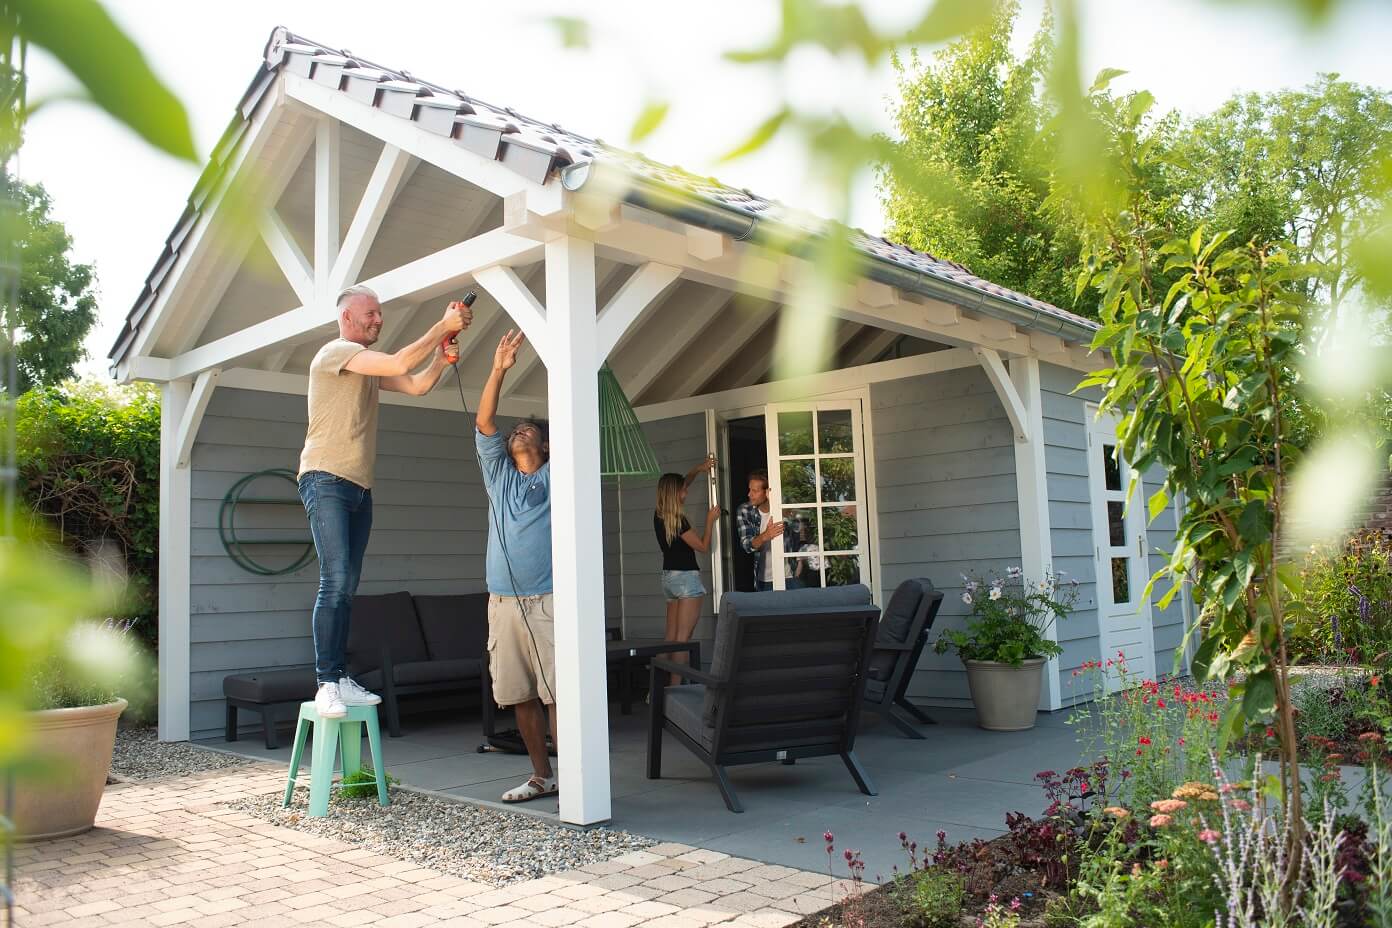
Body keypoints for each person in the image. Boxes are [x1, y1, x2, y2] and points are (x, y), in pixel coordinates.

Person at [298, 285, 471, 720]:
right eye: (371, 314)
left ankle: (339, 678)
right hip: (325, 479)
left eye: (380, 314)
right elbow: (398, 361)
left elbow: (415, 385)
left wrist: (441, 357)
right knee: (335, 581)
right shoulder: (335, 352)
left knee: (348, 586)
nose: (378, 320)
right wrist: (442, 326)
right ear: (347, 317)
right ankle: (326, 682)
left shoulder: (365, 367)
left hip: (358, 487)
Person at [475, 329, 557, 804]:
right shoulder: (499, 476)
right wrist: (499, 368)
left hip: (548, 600)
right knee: (519, 693)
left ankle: (575, 777)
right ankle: (540, 776)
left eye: (529, 429)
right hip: (502, 602)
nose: (517, 431)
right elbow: (486, 420)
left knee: (557, 695)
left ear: (545, 446)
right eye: (516, 430)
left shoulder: (553, 475)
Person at [653, 457, 720, 686]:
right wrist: (710, 520)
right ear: (676, 494)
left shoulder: (659, 515)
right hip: (686, 580)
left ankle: (656, 687)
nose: (687, 493)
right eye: (683, 491)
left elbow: (685, 483)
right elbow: (702, 546)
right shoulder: (679, 521)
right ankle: (673, 689)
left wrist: (698, 470)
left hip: (668, 579)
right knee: (683, 639)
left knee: (671, 637)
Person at [735, 469, 788, 591]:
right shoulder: (745, 510)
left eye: (754, 491)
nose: (749, 494)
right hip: (765, 579)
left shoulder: (784, 507)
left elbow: (796, 528)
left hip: (791, 575)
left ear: (767, 492)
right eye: (750, 490)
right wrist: (766, 535)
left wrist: (774, 503)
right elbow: (746, 545)